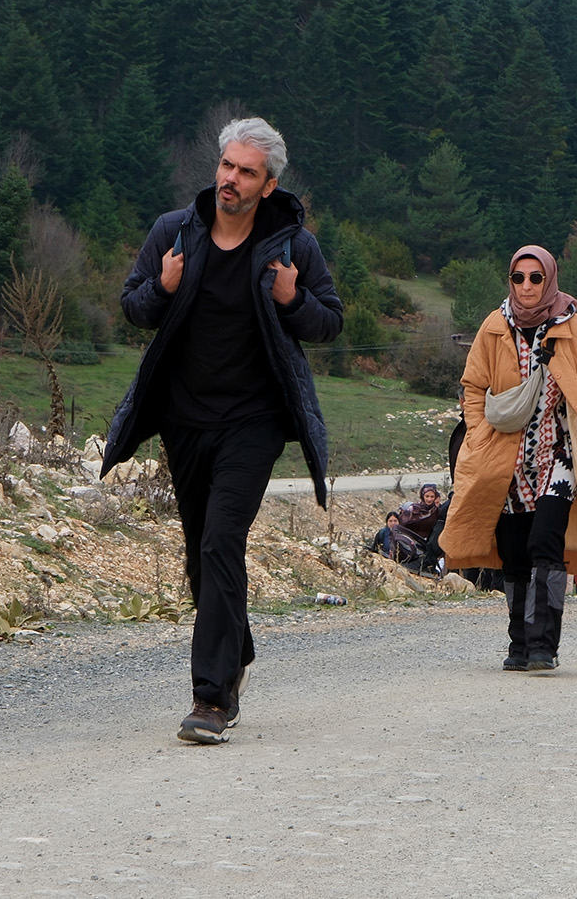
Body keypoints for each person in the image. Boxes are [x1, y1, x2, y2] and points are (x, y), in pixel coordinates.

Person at [104, 117, 344, 746]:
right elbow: (133, 306)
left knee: (220, 542)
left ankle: (210, 700)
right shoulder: (174, 233)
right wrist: (162, 286)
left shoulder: (293, 246)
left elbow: (329, 323)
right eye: (227, 166)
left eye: (246, 172)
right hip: (185, 419)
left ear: (268, 185)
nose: (231, 179)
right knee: (200, 556)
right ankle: (233, 651)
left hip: (254, 422)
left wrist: (294, 300)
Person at [439, 247, 577, 673]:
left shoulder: (575, 328)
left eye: (536, 278)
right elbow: (473, 386)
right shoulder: (493, 326)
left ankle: (543, 644)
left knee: (545, 543)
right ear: (510, 280)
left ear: (550, 278)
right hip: (504, 458)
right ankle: (519, 642)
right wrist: (479, 433)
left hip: (560, 456)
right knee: (514, 549)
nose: (528, 286)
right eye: (519, 278)